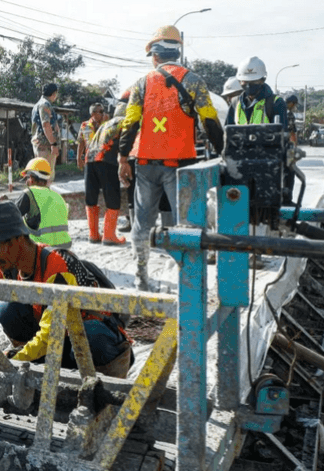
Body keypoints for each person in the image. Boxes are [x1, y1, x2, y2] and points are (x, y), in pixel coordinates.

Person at [0, 201, 134, 377]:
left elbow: (51, 333)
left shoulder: (57, 265)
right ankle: (40, 366)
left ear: (18, 239)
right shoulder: (7, 271)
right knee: (6, 309)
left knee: (89, 335)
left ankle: (98, 388)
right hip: (58, 344)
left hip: (99, 343)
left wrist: (14, 361)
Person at [118, 25, 224, 291]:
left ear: (155, 56)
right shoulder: (194, 80)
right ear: (178, 51)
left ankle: (141, 279)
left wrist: (122, 158)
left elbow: (129, 124)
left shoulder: (141, 84)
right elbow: (209, 119)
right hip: (181, 165)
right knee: (185, 225)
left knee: (142, 224)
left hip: (146, 165)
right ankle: (187, 283)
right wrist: (221, 151)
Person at [226, 56, 290, 204]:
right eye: (245, 82)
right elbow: (227, 132)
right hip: (240, 162)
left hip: (268, 162)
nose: (248, 85)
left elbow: (283, 136)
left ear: (262, 80)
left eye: (253, 82)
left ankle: (286, 203)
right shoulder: (235, 104)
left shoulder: (276, 103)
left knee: (289, 162)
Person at [84, 102, 128, 246]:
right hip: (106, 160)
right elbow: (126, 143)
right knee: (112, 196)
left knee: (91, 198)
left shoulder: (105, 124)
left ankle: (94, 235)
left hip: (89, 160)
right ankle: (109, 236)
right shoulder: (124, 122)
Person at [14, 157, 71, 248]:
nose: (26, 182)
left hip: (41, 249)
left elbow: (12, 217)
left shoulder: (30, 193)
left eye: (26, 179)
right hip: (64, 246)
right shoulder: (58, 197)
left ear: (31, 178)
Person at [31, 82, 63, 174]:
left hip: (39, 144)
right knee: (46, 175)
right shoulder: (45, 105)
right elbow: (46, 125)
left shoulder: (37, 105)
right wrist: (53, 144)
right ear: (54, 93)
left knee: (40, 174)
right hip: (45, 146)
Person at [77, 103, 105, 170]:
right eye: (101, 112)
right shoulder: (84, 125)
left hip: (104, 160)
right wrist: (78, 158)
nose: (103, 114)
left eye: (103, 111)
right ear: (93, 114)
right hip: (89, 159)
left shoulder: (107, 124)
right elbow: (80, 142)